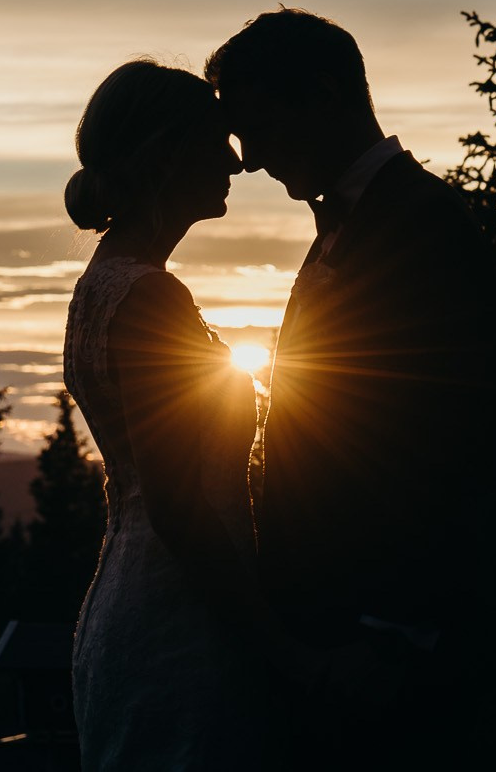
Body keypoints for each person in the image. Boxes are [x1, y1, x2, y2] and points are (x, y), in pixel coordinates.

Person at [205, 9, 496, 749]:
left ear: (321, 96)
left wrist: (392, 632)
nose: (246, 159)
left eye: (257, 125)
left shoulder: (427, 224)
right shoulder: (342, 227)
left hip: (387, 655)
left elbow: (458, 435)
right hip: (330, 638)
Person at [61, 60, 353, 770]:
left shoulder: (100, 284)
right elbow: (178, 507)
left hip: (138, 601)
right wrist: (281, 652)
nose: (236, 160)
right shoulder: (150, 298)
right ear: (166, 155)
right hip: (182, 622)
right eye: (215, 140)